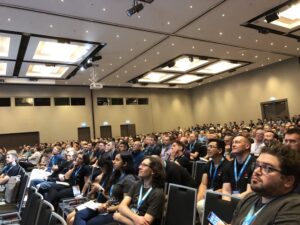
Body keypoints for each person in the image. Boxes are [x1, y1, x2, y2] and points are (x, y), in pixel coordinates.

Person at [231, 144, 300, 225]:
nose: (257, 171)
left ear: (288, 181)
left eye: (267, 168)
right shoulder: (249, 198)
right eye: (257, 165)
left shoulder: (294, 207)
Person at [72, 152, 137, 225]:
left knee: (90, 222)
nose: (113, 161)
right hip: (107, 206)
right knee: (79, 214)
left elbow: (125, 205)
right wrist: (106, 204)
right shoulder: (117, 175)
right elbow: (113, 197)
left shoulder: (129, 179)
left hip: (115, 212)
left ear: (125, 163)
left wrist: (107, 208)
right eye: (114, 159)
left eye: (117, 160)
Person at [111, 156, 166, 225]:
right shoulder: (137, 184)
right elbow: (121, 206)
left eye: (144, 165)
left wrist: (120, 218)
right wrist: (136, 218)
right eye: (140, 164)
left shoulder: (158, 194)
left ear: (153, 171)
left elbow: (144, 224)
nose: (139, 167)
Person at [196, 139, 230, 223]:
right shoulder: (208, 164)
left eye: (211, 147)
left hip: (221, 197)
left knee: (200, 206)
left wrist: (211, 194)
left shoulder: (228, 166)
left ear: (220, 150)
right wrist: (199, 198)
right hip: (209, 195)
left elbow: (227, 189)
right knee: (197, 203)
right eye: (208, 146)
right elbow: (203, 184)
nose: (208, 149)